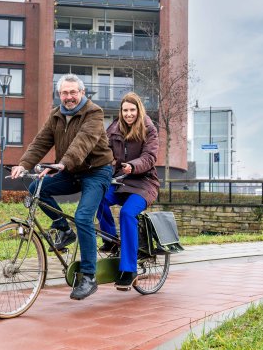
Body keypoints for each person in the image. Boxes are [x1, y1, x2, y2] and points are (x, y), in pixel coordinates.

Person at [10, 73, 113, 300]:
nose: (69, 97)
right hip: (70, 171)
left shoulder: (94, 113)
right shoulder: (56, 116)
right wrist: (23, 164)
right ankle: (64, 230)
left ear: (82, 93)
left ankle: (88, 276)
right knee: (36, 188)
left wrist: (62, 164)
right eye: (65, 93)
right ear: (59, 95)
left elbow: (82, 143)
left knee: (84, 217)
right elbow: (40, 142)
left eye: (73, 92)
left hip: (97, 172)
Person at [96, 92, 159, 291]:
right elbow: (102, 152)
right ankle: (111, 241)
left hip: (144, 183)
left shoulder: (149, 129)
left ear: (139, 110)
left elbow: (149, 157)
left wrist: (132, 165)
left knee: (127, 213)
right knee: (98, 198)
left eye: (132, 110)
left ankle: (129, 270)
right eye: (125, 110)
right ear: (121, 111)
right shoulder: (113, 129)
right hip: (120, 181)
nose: (129, 114)